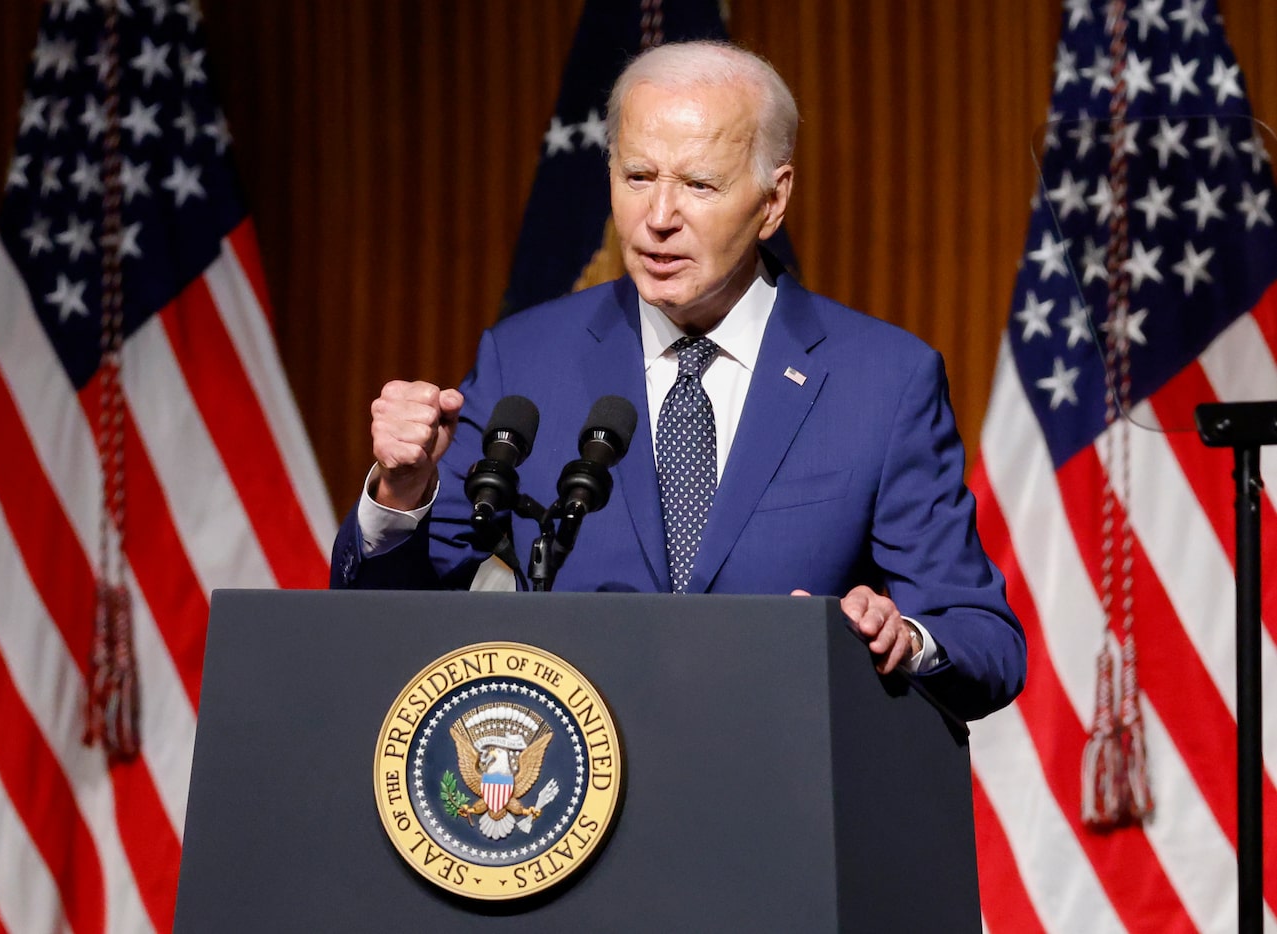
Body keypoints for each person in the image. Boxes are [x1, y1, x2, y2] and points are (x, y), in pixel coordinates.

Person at [331, 40, 1024, 721]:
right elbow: (390, 620)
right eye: (637, 177)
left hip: (785, 797)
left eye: (698, 184)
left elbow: (984, 640)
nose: (658, 218)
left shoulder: (881, 379)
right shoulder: (527, 359)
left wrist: (903, 641)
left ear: (772, 199)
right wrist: (400, 493)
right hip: (575, 808)